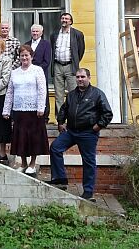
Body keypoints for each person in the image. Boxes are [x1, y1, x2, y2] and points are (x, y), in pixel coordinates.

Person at [47, 68, 113, 201]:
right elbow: (64, 109)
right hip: (71, 131)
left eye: (82, 77)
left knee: (88, 161)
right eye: (77, 77)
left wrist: (98, 126)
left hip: (88, 132)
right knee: (55, 148)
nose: (80, 79)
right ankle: (60, 179)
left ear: (89, 78)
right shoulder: (71, 94)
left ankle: (88, 191)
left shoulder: (97, 94)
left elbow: (107, 113)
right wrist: (60, 122)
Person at [2, 45, 48, 176]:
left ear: (31, 56)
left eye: (27, 55)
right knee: (20, 137)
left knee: (33, 138)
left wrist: (41, 107)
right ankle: (23, 163)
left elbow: (42, 89)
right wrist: (6, 110)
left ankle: (32, 164)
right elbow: (10, 92)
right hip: (18, 110)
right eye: (22, 55)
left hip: (34, 111)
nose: (24, 57)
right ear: (19, 57)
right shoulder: (14, 72)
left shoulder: (37, 70)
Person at [50, 12, 85, 114]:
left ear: (71, 21)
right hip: (57, 65)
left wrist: (75, 61)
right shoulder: (54, 34)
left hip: (71, 66)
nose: (64, 20)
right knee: (58, 94)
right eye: (62, 18)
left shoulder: (77, 34)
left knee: (73, 92)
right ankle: (60, 118)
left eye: (66, 19)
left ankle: (73, 115)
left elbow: (81, 50)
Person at [25, 24, 52, 120]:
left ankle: (45, 116)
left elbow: (47, 61)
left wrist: (36, 70)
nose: (35, 33)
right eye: (33, 31)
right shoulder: (27, 44)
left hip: (41, 72)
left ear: (41, 33)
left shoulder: (46, 44)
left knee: (42, 92)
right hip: (28, 73)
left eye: (37, 31)